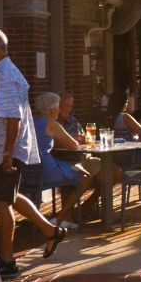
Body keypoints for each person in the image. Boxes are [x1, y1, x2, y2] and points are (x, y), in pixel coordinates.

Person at [0, 29, 64, 278]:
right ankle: (50, 231)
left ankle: (7, 261)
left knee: (2, 203)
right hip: (6, 148)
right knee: (11, 197)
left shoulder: (5, 75)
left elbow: (13, 119)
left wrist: (6, 154)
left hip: (8, 149)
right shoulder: (2, 72)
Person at [33, 92, 100, 229]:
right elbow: (73, 145)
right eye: (58, 106)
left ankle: (66, 217)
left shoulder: (31, 123)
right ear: (52, 110)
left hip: (32, 170)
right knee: (85, 178)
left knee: (73, 170)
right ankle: (61, 218)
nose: (59, 109)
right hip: (48, 169)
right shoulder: (52, 124)